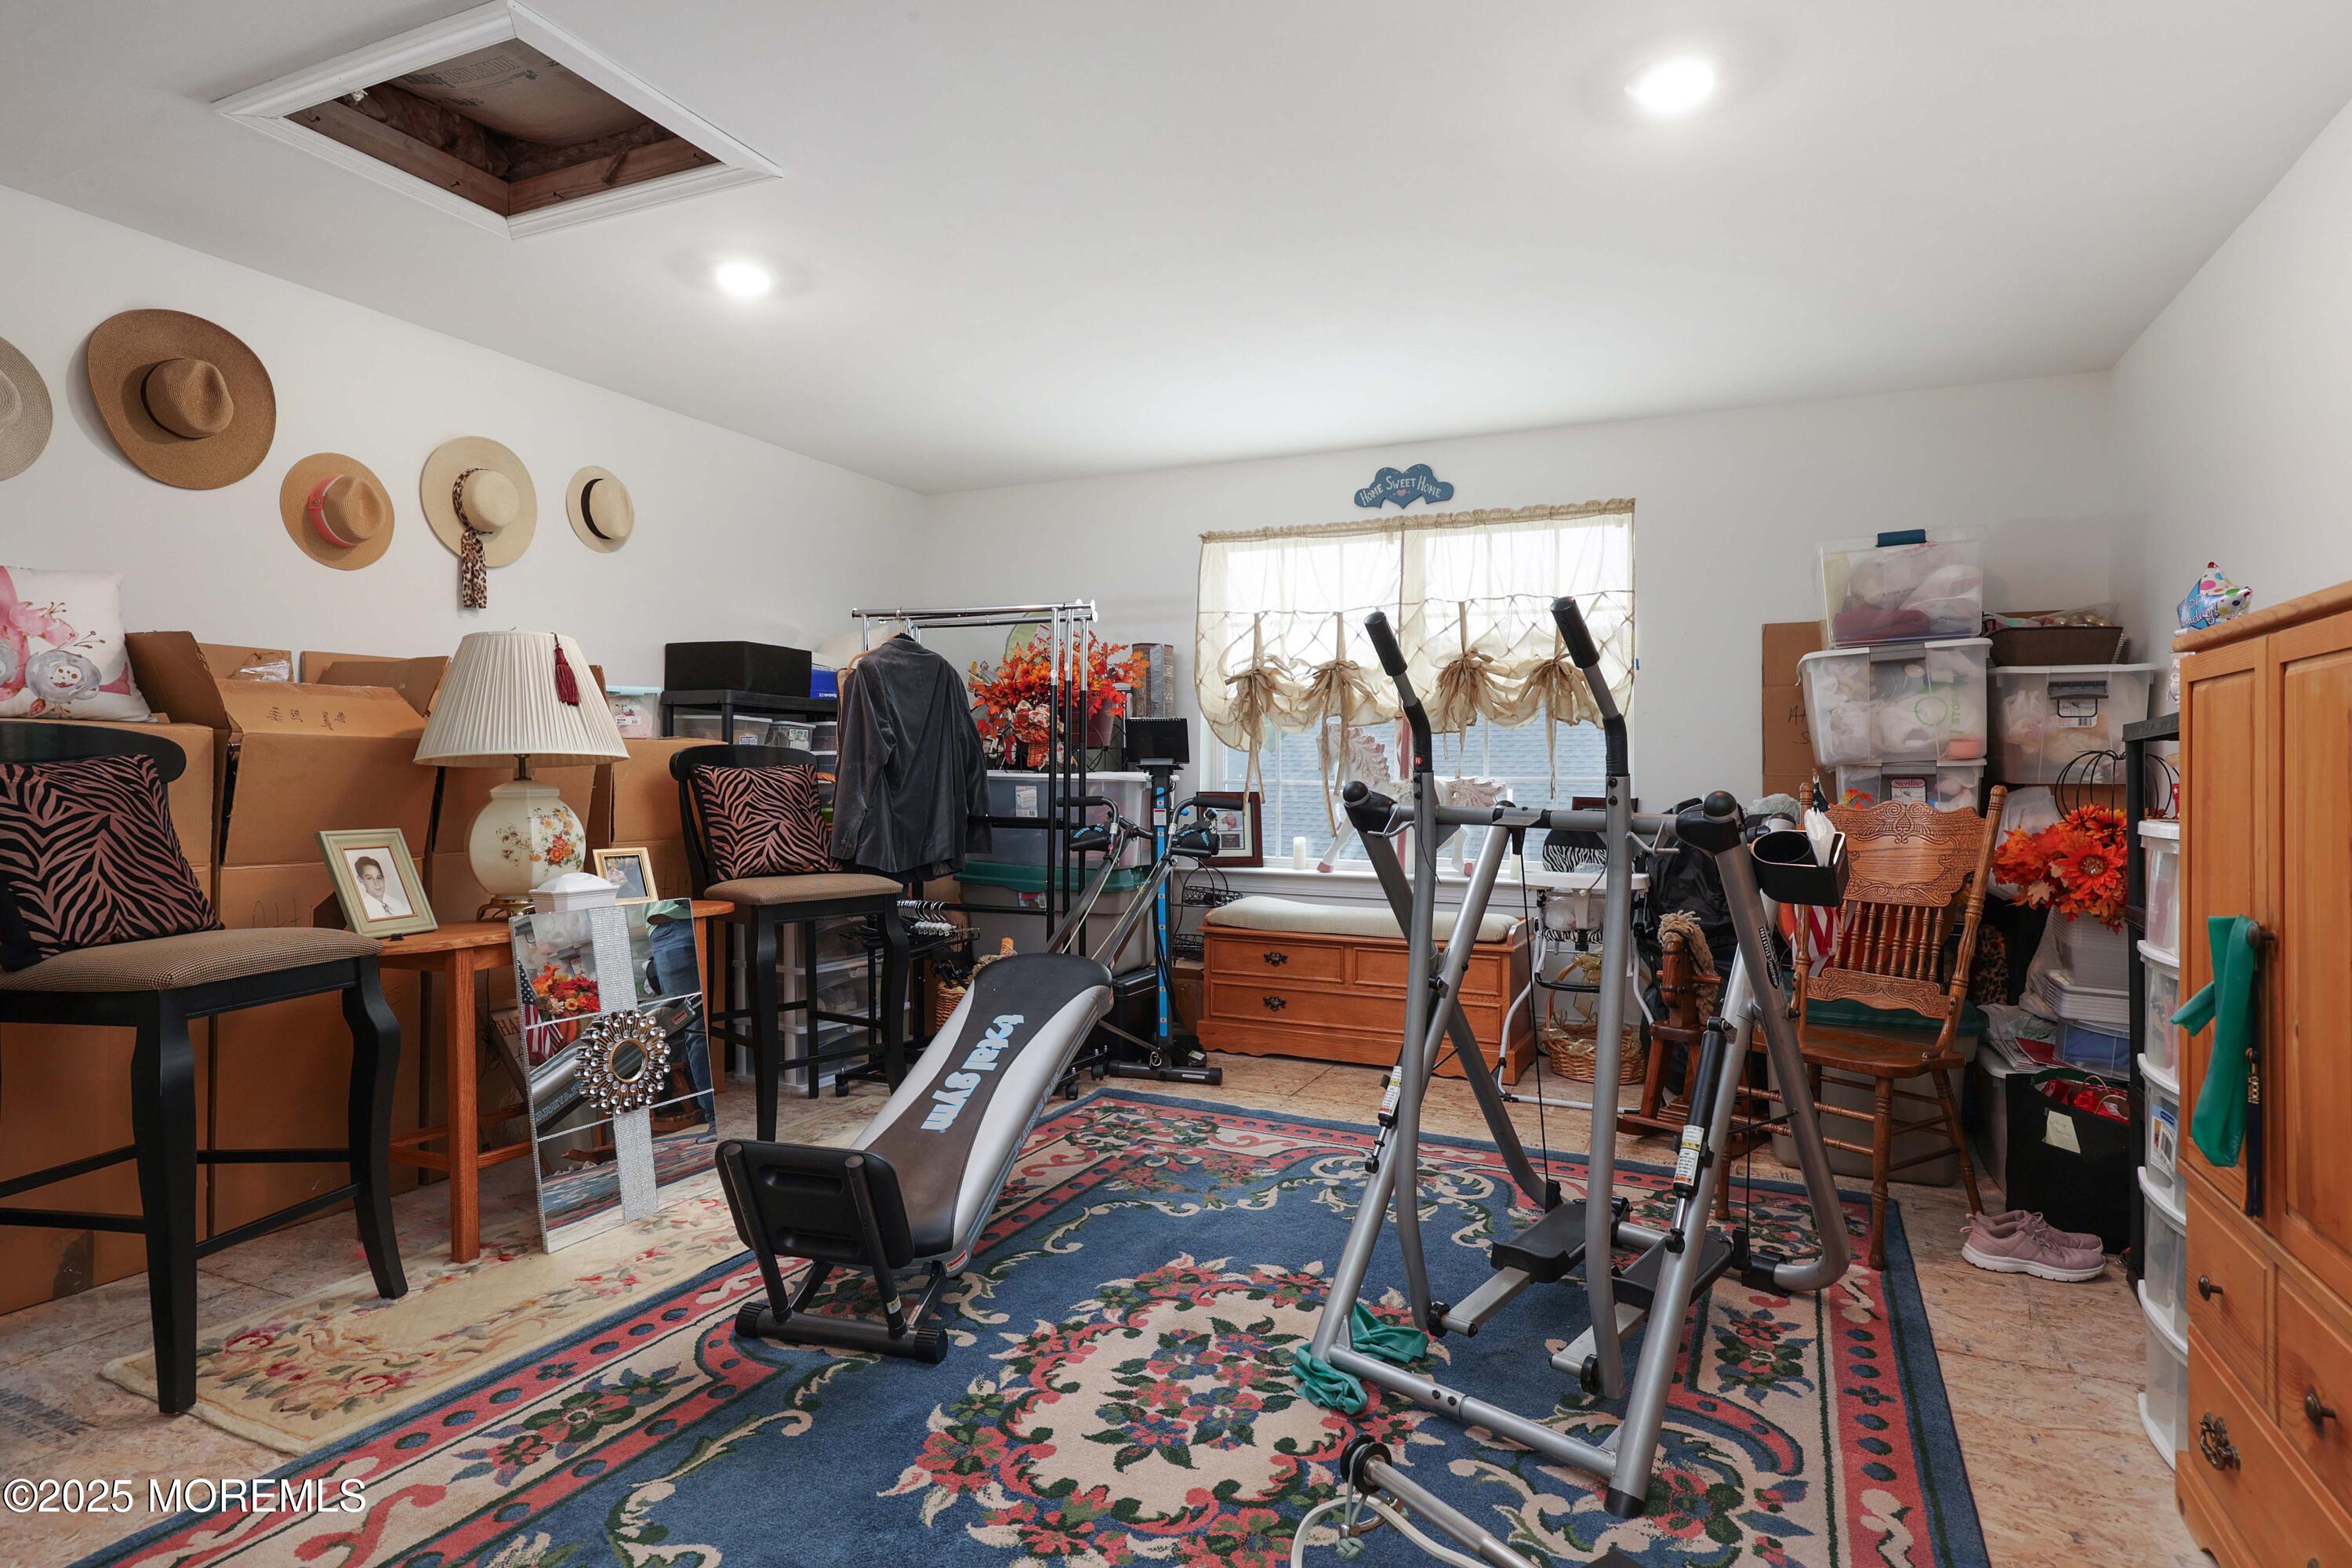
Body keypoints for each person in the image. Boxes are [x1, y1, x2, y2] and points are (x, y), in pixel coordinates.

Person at [353, 854, 407, 920]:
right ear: (360, 879)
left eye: (379, 878)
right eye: (369, 878)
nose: (376, 883)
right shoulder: (363, 910)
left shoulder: (396, 903)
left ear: (383, 879)